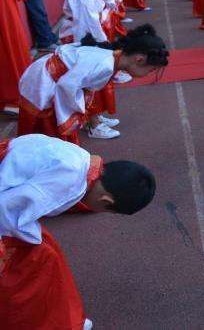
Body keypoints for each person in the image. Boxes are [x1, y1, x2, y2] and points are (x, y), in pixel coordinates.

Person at [0, 133, 155, 329]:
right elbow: (5, 210)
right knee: (38, 265)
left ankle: (66, 320)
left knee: (47, 254)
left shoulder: (80, 159)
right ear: (106, 201)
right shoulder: (70, 182)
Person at [17, 25, 169, 142]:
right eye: (151, 70)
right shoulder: (106, 65)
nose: (149, 74)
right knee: (48, 129)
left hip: (48, 76)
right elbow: (67, 85)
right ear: (139, 59)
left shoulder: (113, 56)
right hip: (43, 82)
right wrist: (78, 113)